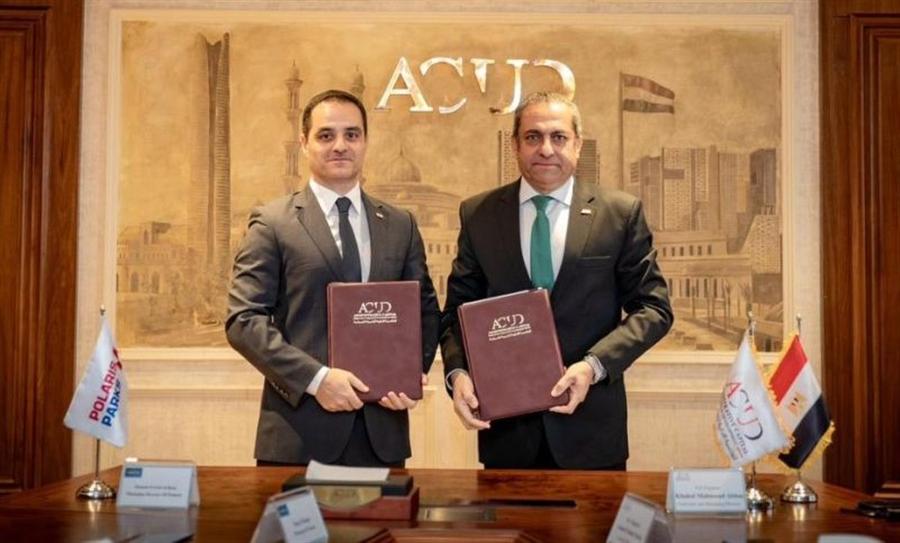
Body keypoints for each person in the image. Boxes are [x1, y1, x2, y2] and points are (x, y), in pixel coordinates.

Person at [440, 91, 673, 470]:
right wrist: (458, 372)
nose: (546, 149)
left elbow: (654, 309)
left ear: (577, 145)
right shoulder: (479, 214)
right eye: (533, 137)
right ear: (515, 145)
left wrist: (594, 366)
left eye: (559, 137)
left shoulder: (619, 214)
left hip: (591, 433)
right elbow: (457, 312)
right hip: (507, 435)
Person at [226, 89, 439, 467]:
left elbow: (424, 311)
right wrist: (317, 379)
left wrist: (410, 373)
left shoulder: (400, 224)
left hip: (382, 434)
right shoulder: (272, 223)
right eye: (326, 135)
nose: (340, 145)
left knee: (386, 514)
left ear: (365, 141)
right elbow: (243, 321)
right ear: (304, 142)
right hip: (299, 437)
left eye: (351, 134)